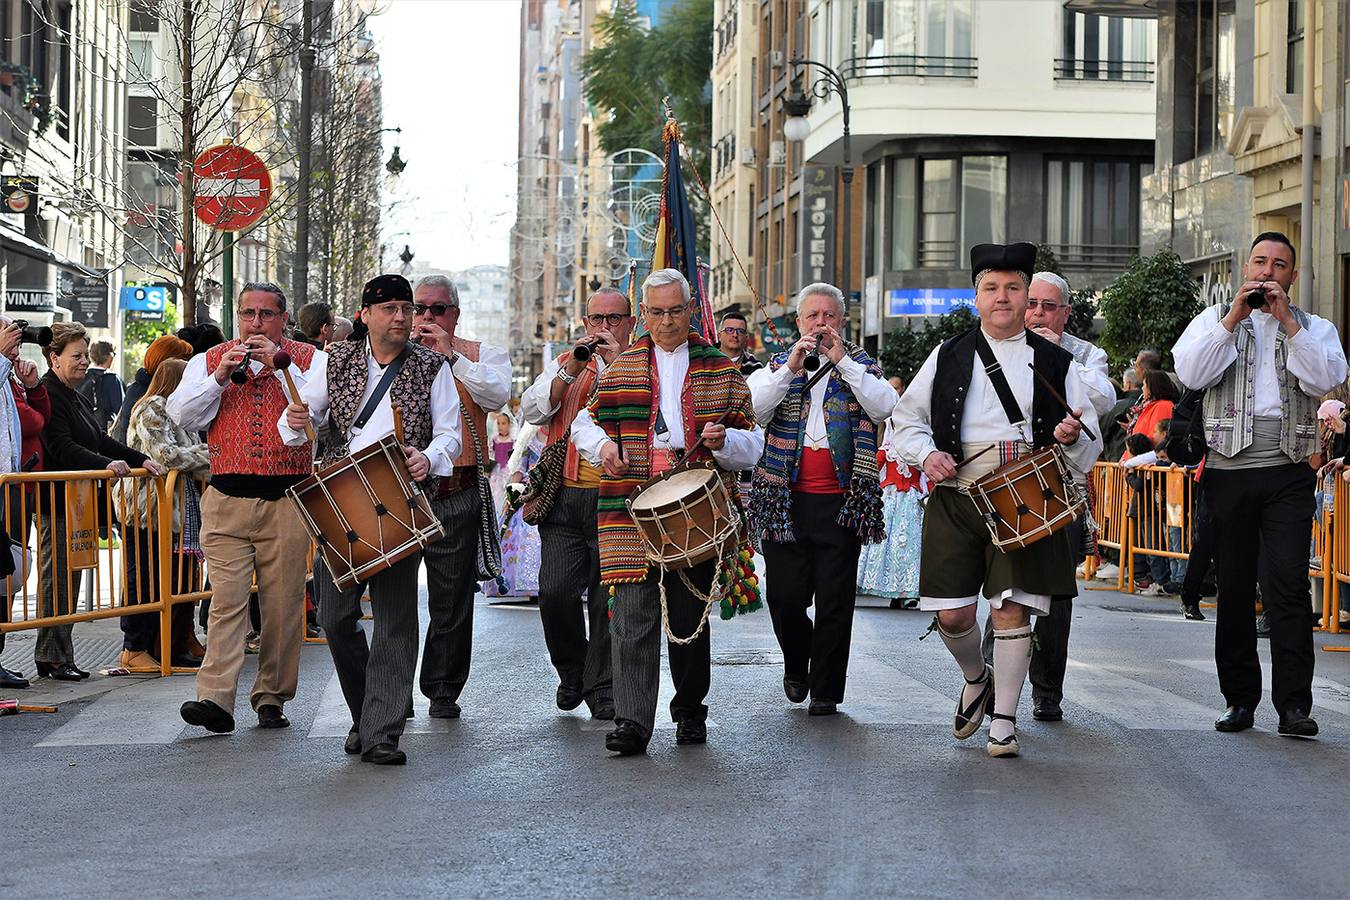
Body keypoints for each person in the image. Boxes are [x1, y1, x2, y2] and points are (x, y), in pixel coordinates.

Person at [892, 242, 1102, 758]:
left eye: (1013, 288)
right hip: (958, 490)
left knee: (1012, 610)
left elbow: (1090, 434)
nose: (1003, 298)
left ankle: (1004, 720)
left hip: (1025, 494)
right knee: (954, 617)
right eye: (992, 288)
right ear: (977, 296)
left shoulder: (1057, 360)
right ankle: (976, 676)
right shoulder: (948, 354)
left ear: (1027, 294)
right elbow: (905, 420)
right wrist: (925, 455)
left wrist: (1073, 436)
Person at [571, 268, 763, 755]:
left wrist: (727, 441)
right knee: (631, 617)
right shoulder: (622, 366)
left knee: (686, 618)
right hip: (629, 505)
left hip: (694, 505)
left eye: (675, 310)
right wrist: (602, 449)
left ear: (691, 309)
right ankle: (633, 722)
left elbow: (753, 442)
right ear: (643, 314)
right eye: (655, 312)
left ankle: (690, 711)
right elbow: (583, 424)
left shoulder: (720, 367)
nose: (666, 321)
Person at [1173, 230, 1347, 738]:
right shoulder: (1213, 321)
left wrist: (1289, 322)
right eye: (1259, 262)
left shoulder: (1314, 327)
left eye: (1278, 265)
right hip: (1228, 472)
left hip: (1290, 469)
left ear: (1292, 276)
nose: (1267, 272)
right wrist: (1233, 319)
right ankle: (1240, 700)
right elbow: (1192, 372)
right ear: (1244, 269)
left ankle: (1294, 705)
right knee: (1233, 587)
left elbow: (1325, 380)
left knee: (1287, 585)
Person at [282, 273, 461, 765]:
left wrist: (429, 458)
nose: (402, 317)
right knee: (336, 617)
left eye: (407, 308)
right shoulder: (332, 361)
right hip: (339, 498)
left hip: (400, 497)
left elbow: (451, 434)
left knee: (396, 619)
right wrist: (294, 424)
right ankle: (368, 711)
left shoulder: (431, 367)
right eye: (390, 309)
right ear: (365, 315)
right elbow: (301, 419)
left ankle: (382, 730)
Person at [169, 282, 322, 734]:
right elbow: (183, 416)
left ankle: (272, 695)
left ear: (284, 318)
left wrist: (276, 366)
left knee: (282, 605)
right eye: (248, 314)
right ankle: (215, 699)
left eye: (266, 315)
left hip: (288, 499)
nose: (256, 323)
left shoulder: (312, 360)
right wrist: (219, 378)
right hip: (226, 500)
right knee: (227, 602)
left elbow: (323, 411)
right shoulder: (208, 360)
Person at [747, 283, 898, 715]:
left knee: (835, 600)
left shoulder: (862, 366)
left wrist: (843, 363)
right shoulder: (777, 365)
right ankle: (797, 666)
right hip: (783, 502)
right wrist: (790, 370)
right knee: (784, 598)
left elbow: (886, 406)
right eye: (812, 316)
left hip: (842, 503)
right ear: (798, 323)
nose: (821, 324)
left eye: (829, 316)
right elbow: (753, 411)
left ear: (842, 321)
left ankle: (827, 689)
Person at [1002, 270, 1117, 722]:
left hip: (1063, 489)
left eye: (1048, 306)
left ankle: (1047, 691)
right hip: (1006, 487)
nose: (1037, 313)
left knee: (1054, 598)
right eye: (1031, 304)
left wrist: (1052, 353)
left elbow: (1102, 400)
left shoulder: (1087, 354)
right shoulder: (997, 345)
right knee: (1003, 588)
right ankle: (995, 680)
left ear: (1066, 313)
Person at [519, 286, 636, 718]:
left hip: (617, 499)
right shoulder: (568, 361)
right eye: (596, 320)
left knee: (608, 600)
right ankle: (572, 672)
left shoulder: (639, 364)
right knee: (554, 593)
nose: (604, 328)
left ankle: (602, 687)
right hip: (566, 496)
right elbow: (532, 411)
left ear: (630, 322)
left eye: (614, 319)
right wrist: (570, 370)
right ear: (585, 323)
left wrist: (612, 362)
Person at [36, 323, 165, 681]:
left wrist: (140, 459)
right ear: (54, 358)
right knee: (57, 579)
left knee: (70, 579)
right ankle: (52, 656)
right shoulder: (50, 394)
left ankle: (60, 655)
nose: (82, 363)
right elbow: (62, 445)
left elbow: (101, 440)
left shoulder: (74, 394)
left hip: (77, 503)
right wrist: (105, 464)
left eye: (85, 356)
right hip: (56, 502)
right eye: (75, 356)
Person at [410, 273, 511, 719]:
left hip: (456, 489)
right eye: (419, 309)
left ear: (455, 314)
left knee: (451, 599)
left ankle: (442, 688)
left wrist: (451, 356)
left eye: (437, 309)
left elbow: (498, 394)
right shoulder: (392, 353)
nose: (426, 317)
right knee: (395, 598)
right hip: (399, 492)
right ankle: (393, 686)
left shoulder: (481, 355)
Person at [116, 358, 210, 670]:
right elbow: (166, 455)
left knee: (178, 577)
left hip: (177, 509)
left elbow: (184, 455)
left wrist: (195, 457)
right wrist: (203, 456)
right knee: (144, 577)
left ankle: (171, 642)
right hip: (148, 509)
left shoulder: (182, 409)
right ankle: (136, 647)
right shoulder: (152, 407)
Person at [0, 318, 44, 689]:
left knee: (5, 577)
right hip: (3, 487)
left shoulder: (8, 377)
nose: (16, 341)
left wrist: (31, 386)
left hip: (11, 487)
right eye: (9, 334)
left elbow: (36, 418)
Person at [858, 397, 926, 610]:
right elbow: (870, 471)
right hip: (889, 501)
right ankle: (886, 587)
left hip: (912, 501)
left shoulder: (919, 450)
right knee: (888, 543)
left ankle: (908, 592)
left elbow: (927, 475)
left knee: (910, 546)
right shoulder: (886, 450)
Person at [484, 421, 544, 600]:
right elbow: (519, 469)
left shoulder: (564, 433)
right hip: (528, 494)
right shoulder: (529, 438)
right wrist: (511, 493)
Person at [111, 335, 195, 444]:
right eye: (183, 361)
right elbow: (165, 455)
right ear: (166, 364)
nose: (187, 368)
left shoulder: (141, 388)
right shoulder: (152, 401)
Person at [78, 340, 124, 435]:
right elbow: (120, 410)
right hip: (104, 431)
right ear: (109, 356)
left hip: (82, 428)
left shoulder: (82, 376)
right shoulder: (112, 378)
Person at [717, 310, 762, 376]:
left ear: (746, 337)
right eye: (729, 330)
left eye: (740, 331)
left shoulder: (755, 367)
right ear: (719, 336)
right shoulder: (705, 363)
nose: (735, 335)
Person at [488, 411, 514, 514]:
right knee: (495, 495)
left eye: (503, 423)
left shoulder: (513, 441)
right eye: (498, 423)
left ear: (509, 424)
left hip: (507, 473)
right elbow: (491, 454)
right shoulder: (494, 440)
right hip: (496, 473)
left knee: (504, 495)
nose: (500, 426)